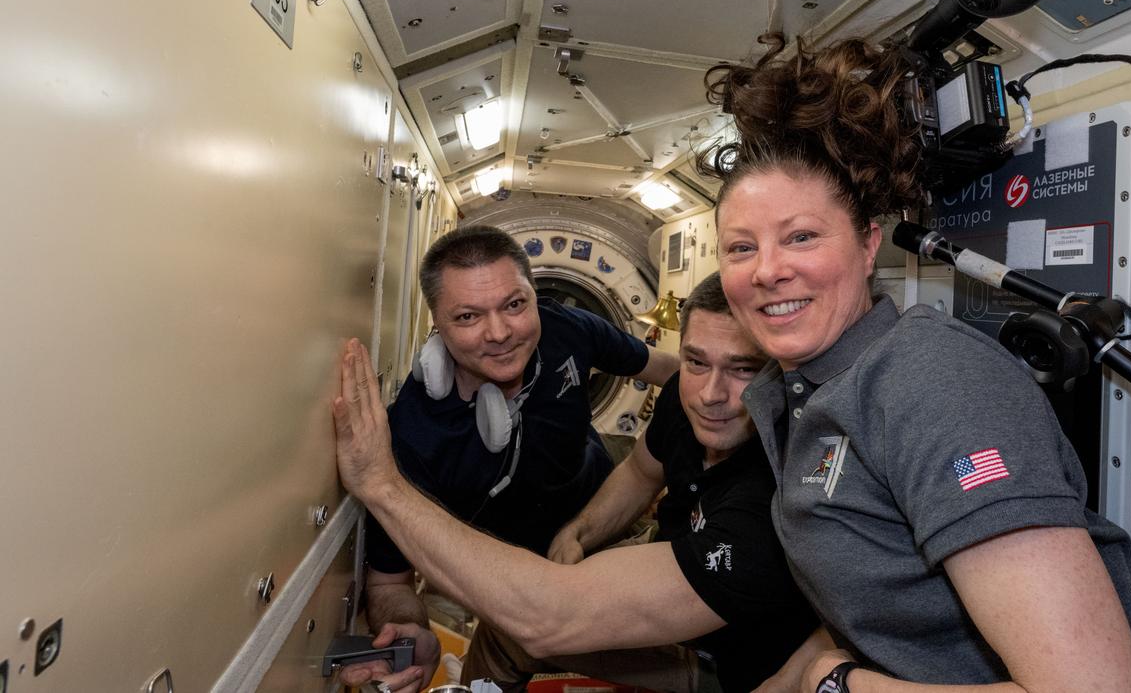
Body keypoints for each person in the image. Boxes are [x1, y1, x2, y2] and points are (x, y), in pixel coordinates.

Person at [697, 33, 1131, 693]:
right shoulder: (793, 392)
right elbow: (880, 611)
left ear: (868, 246)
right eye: (741, 247)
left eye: (801, 236)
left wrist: (840, 684)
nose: (768, 270)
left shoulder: (933, 384)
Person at [332, 273, 820, 693]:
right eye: (696, 361)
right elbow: (639, 472)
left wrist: (381, 483)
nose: (711, 394)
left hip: (728, 665)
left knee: (513, 630)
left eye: (743, 369)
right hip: (679, 568)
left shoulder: (774, 497)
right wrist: (578, 532)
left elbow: (546, 619)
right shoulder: (684, 398)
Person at [345, 225, 679, 690]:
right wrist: (410, 630)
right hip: (517, 573)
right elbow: (389, 584)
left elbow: (668, 370)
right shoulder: (412, 435)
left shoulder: (569, 327)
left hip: (606, 508)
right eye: (468, 316)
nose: (500, 333)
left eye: (515, 305)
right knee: (500, 646)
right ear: (436, 323)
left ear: (533, 297)